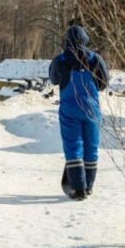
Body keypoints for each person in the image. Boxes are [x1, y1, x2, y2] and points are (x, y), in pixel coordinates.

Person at [49, 25, 109, 200]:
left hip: (69, 108)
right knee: (91, 147)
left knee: (73, 146)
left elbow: (53, 79)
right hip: (91, 109)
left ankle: (78, 189)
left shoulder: (60, 59)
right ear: (84, 39)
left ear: (67, 40)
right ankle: (89, 187)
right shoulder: (95, 59)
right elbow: (103, 84)